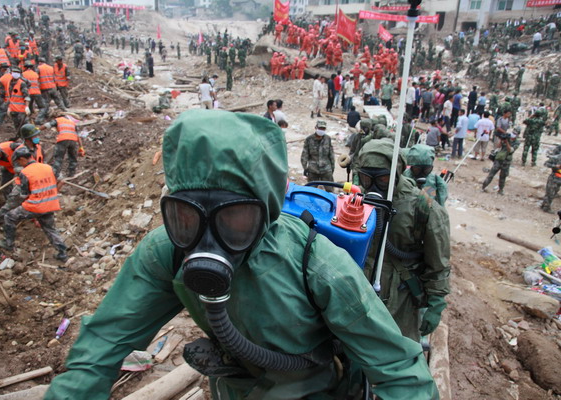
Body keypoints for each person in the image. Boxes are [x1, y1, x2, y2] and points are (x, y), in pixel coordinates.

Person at [44, 110, 439, 399]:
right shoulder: (167, 251)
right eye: (188, 216)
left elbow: (397, 368)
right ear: (171, 206)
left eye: (234, 219)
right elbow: (102, 346)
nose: (208, 238)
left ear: (266, 213)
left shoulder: (314, 264)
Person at [353, 139, 450, 342]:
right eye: (365, 178)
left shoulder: (422, 206)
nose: (372, 186)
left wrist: (436, 302)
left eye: (383, 179)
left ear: (396, 174)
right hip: (359, 287)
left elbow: (438, 261)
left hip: (401, 293)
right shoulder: (356, 199)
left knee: (397, 350)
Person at [0, 146, 67, 261]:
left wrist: (27, 211)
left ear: (22, 159)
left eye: (19, 162)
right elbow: (62, 180)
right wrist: (53, 194)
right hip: (50, 204)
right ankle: (62, 253)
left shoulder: (25, 172)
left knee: (9, 216)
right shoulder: (48, 167)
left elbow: (23, 195)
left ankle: (9, 244)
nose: (19, 164)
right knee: (50, 229)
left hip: (35, 205)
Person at [0, 66, 30, 133]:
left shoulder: (4, 78)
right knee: (20, 118)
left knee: (1, 113)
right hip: (13, 101)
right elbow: (28, 84)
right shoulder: (20, 79)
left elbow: (1, 93)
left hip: (12, 101)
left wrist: (2, 101)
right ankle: (25, 131)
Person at [482, 129, 520, 195]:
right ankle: (484, 186)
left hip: (506, 161)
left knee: (503, 177)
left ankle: (500, 190)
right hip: (499, 159)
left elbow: (510, 150)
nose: (513, 134)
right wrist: (502, 140)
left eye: (515, 133)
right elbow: (498, 146)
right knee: (491, 174)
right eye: (513, 132)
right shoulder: (507, 138)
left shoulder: (517, 142)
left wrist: (507, 142)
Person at [301, 120, 335, 192]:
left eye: (323, 129)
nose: (321, 130)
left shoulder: (327, 139)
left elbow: (331, 154)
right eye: (320, 128)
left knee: (330, 190)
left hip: (326, 169)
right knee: (311, 191)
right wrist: (305, 168)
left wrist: (332, 168)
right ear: (316, 128)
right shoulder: (309, 139)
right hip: (313, 170)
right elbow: (304, 155)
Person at [542, 148, 561, 213]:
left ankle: (544, 205)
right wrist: (555, 166)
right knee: (550, 193)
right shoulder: (557, 158)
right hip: (554, 178)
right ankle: (546, 207)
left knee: (554, 193)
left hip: (559, 179)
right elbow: (546, 164)